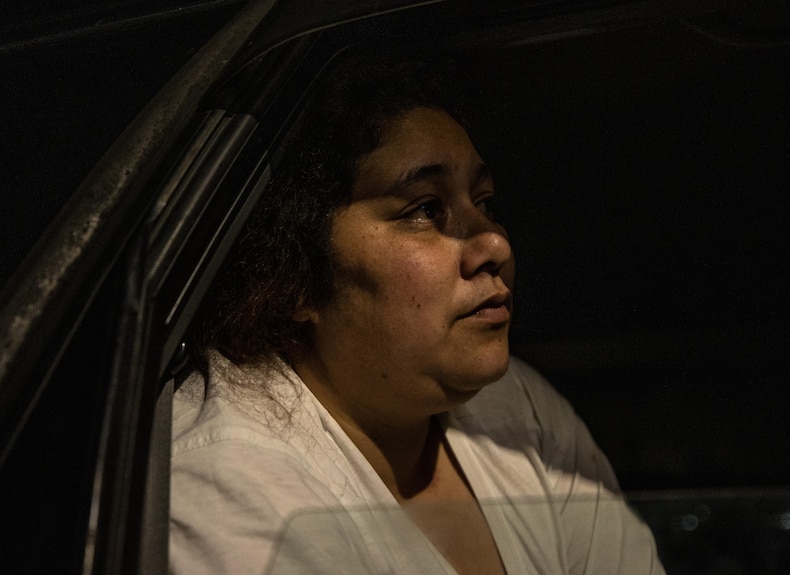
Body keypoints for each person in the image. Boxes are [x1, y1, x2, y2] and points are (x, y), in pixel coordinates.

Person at [169, 55, 664, 574]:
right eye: (425, 209)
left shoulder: (515, 408)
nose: (495, 242)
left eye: (485, 202)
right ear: (293, 272)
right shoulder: (229, 493)